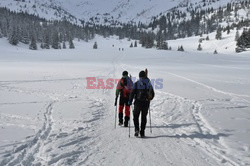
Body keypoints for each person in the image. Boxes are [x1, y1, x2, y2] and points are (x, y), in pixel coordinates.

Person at [128, 70, 154, 138]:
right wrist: (149, 99)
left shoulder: (136, 83)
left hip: (138, 103)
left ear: (139, 76)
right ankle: (142, 132)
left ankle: (136, 129)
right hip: (146, 103)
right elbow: (153, 94)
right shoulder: (149, 83)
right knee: (144, 117)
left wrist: (130, 101)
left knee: (136, 116)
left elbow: (132, 93)